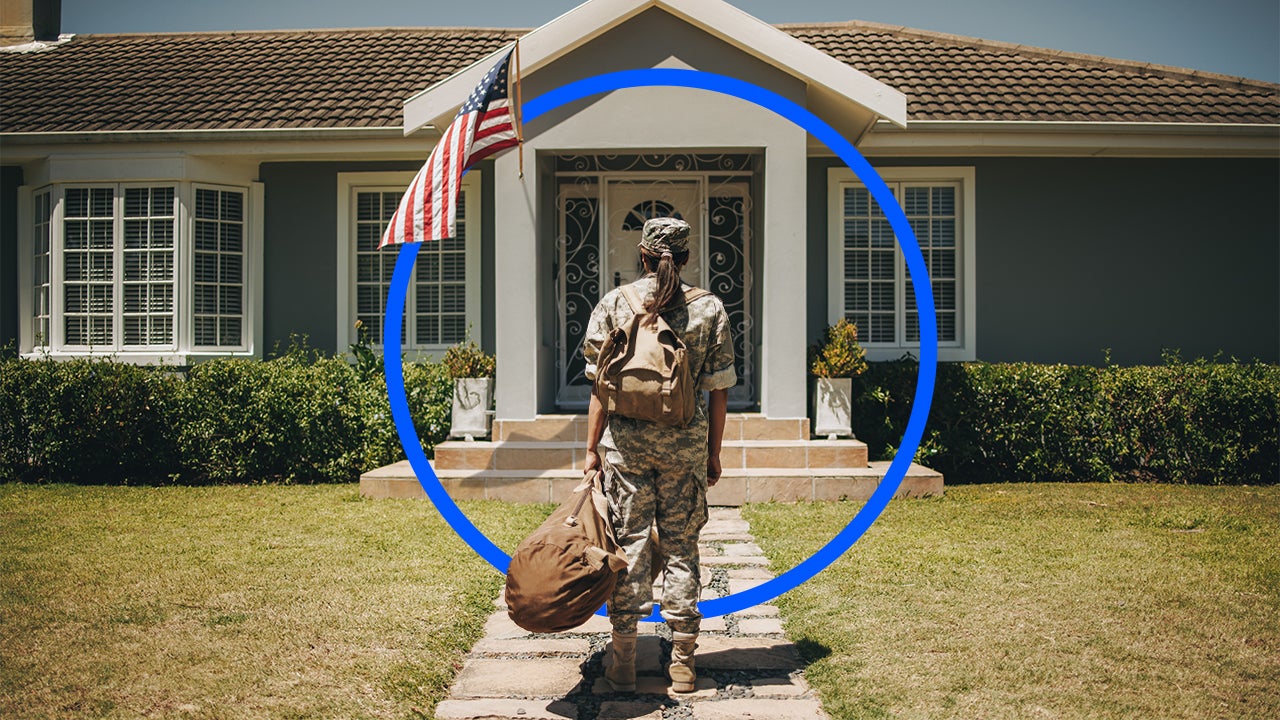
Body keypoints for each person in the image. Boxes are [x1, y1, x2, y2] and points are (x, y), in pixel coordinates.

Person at [582, 216, 736, 693]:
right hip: (684, 450)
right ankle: (684, 665)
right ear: (686, 257)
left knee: (627, 547)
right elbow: (719, 391)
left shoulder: (615, 303)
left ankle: (624, 663)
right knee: (682, 548)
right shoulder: (708, 308)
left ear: (643, 256)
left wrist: (591, 452)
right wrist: (713, 453)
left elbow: (599, 387)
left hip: (626, 451)